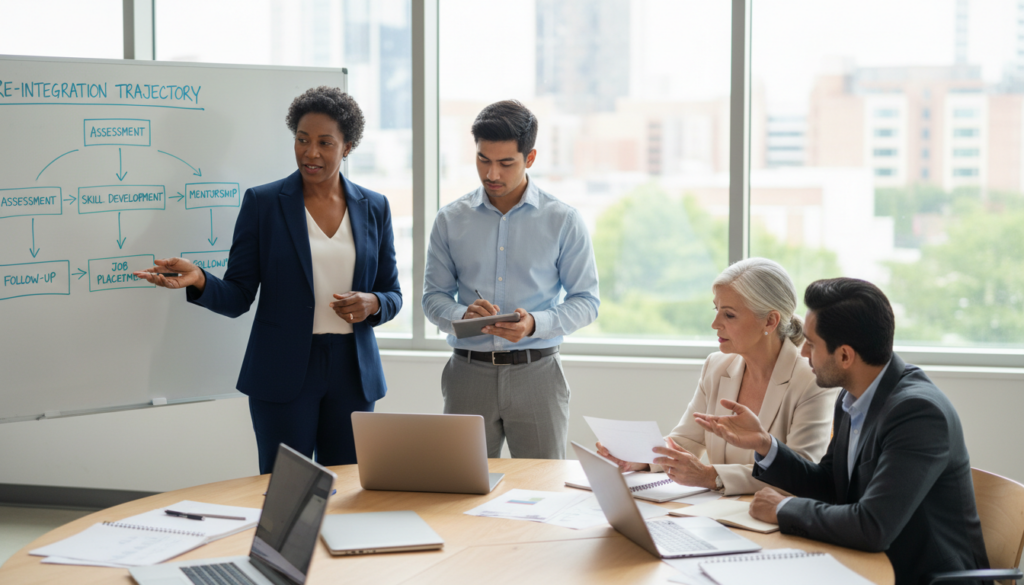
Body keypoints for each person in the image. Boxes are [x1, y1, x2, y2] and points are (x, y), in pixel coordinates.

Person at [135, 86, 402, 474]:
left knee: (350, 490)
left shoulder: (374, 207)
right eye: (302, 140)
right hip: (282, 371)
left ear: (347, 147)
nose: (311, 153)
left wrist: (373, 303)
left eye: (325, 143)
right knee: (285, 490)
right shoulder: (263, 203)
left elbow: (392, 291)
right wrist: (199, 280)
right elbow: (239, 294)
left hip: (352, 374)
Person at [694, 278, 989, 584]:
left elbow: (872, 526)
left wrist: (784, 508)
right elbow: (831, 485)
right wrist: (766, 445)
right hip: (862, 562)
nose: (803, 352)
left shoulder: (919, 414)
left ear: (845, 356)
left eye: (811, 343)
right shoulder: (853, 395)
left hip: (921, 576)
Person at [422, 100, 600, 459]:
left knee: (542, 492)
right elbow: (433, 298)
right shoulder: (449, 220)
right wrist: (461, 317)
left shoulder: (563, 220)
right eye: (483, 160)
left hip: (538, 375)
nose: (492, 175)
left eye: (506, 163)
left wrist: (535, 323)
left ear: (530, 159)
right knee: (459, 494)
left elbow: (587, 301)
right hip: (467, 375)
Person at [598, 258, 838, 495]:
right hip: (715, 511)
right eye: (717, 310)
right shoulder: (717, 365)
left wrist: (711, 477)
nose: (715, 324)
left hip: (771, 519)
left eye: (729, 315)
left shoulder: (811, 380)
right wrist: (637, 459)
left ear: (770, 320)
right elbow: (684, 440)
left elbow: (803, 470)